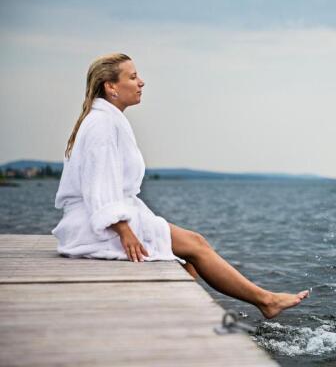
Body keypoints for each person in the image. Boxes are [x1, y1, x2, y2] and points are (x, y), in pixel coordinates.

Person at [52, 52, 308, 319]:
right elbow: (100, 185)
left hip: (111, 220)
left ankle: (177, 311)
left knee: (190, 258)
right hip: (99, 228)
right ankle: (266, 301)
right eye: (133, 76)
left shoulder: (107, 120)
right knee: (196, 246)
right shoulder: (102, 124)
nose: (141, 82)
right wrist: (124, 229)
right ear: (111, 86)